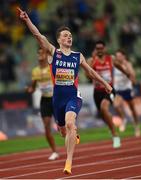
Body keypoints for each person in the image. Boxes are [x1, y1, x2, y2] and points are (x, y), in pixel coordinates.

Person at [18, 8, 112, 175]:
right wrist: (27, 21)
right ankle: (72, 135)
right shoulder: (54, 53)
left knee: (70, 124)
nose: (69, 37)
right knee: (63, 131)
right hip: (57, 101)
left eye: (70, 35)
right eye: (65, 36)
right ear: (59, 40)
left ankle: (68, 163)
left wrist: (105, 83)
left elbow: (90, 72)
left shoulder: (78, 56)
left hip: (73, 97)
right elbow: (38, 35)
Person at [87, 40, 132, 149]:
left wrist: (126, 73)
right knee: (103, 115)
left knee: (104, 108)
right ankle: (111, 126)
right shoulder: (91, 60)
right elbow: (88, 77)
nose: (100, 50)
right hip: (97, 91)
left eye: (101, 48)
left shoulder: (110, 59)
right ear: (95, 50)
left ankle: (115, 136)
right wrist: (92, 63)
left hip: (109, 90)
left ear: (105, 49)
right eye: (97, 48)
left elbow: (118, 66)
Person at [26, 48, 59, 160]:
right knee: (46, 126)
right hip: (45, 100)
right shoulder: (35, 71)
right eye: (38, 53)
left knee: (62, 126)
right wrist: (29, 90)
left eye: (42, 53)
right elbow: (33, 88)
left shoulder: (52, 67)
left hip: (56, 98)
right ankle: (54, 151)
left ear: (46, 55)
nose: (40, 55)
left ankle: (71, 136)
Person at [113, 49, 141, 137]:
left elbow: (133, 76)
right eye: (117, 56)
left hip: (127, 89)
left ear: (124, 56)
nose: (118, 58)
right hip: (118, 90)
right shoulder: (115, 65)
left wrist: (127, 67)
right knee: (116, 106)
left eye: (120, 56)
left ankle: (136, 127)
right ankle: (124, 118)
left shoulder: (127, 64)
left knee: (132, 109)